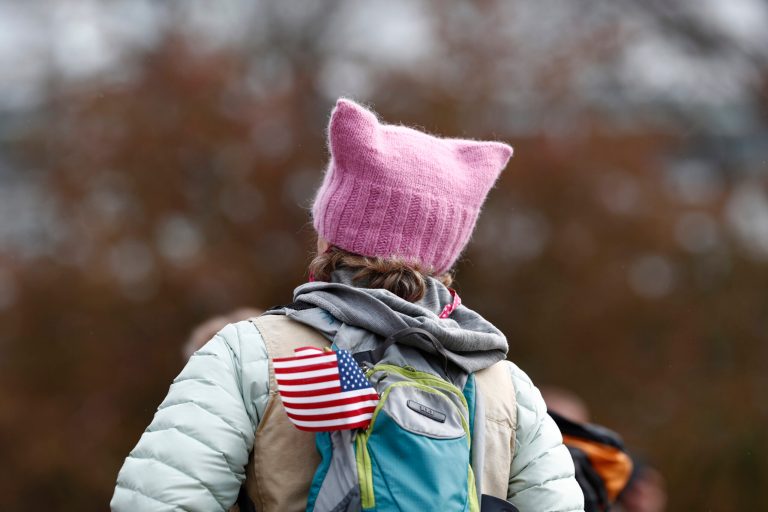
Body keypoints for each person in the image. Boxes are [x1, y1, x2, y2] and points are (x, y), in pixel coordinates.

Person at [110, 99, 584, 511]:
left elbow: (157, 499)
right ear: (447, 249)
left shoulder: (248, 351)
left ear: (332, 227)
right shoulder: (502, 382)